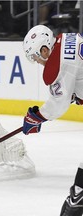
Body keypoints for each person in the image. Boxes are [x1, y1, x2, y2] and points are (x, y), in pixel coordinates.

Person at [22, 25, 83, 216]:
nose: (38, 61)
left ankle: (77, 201)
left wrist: (36, 117)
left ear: (44, 49)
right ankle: (78, 198)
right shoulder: (69, 39)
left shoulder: (56, 65)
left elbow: (59, 104)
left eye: (36, 57)